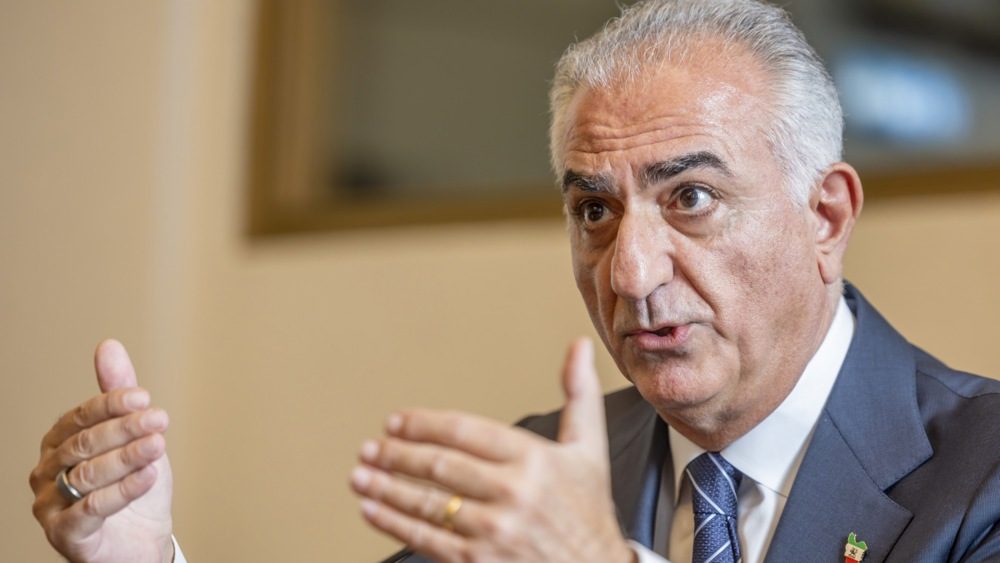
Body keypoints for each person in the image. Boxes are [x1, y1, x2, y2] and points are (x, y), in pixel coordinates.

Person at [30, 1, 1000, 562]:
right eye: (594, 209)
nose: (630, 270)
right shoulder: (537, 475)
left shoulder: (983, 475)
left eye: (692, 197)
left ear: (824, 216)